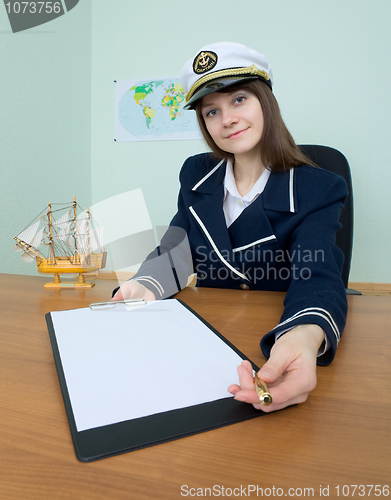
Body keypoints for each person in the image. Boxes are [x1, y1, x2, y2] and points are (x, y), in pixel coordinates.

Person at [112, 42, 348, 413]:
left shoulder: (319, 187)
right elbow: (178, 248)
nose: (227, 119)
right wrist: (142, 285)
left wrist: (302, 336)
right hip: (204, 337)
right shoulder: (196, 174)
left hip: (268, 337)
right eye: (211, 112)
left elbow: (316, 271)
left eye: (239, 100)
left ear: (265, 101)